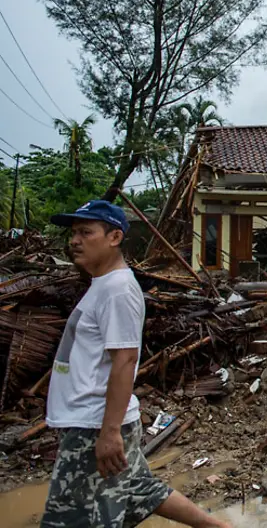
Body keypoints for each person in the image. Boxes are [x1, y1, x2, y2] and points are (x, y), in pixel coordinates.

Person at [42, 200, 230, 528]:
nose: (75, 240)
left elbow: (126, 359)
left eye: (86, 232)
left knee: (71, 520)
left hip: (94, 423)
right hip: (96, 419)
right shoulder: (103, 286)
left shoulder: (116, 290)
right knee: (139, 491)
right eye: (73, 233)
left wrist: (109, 432)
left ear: (114, 237)